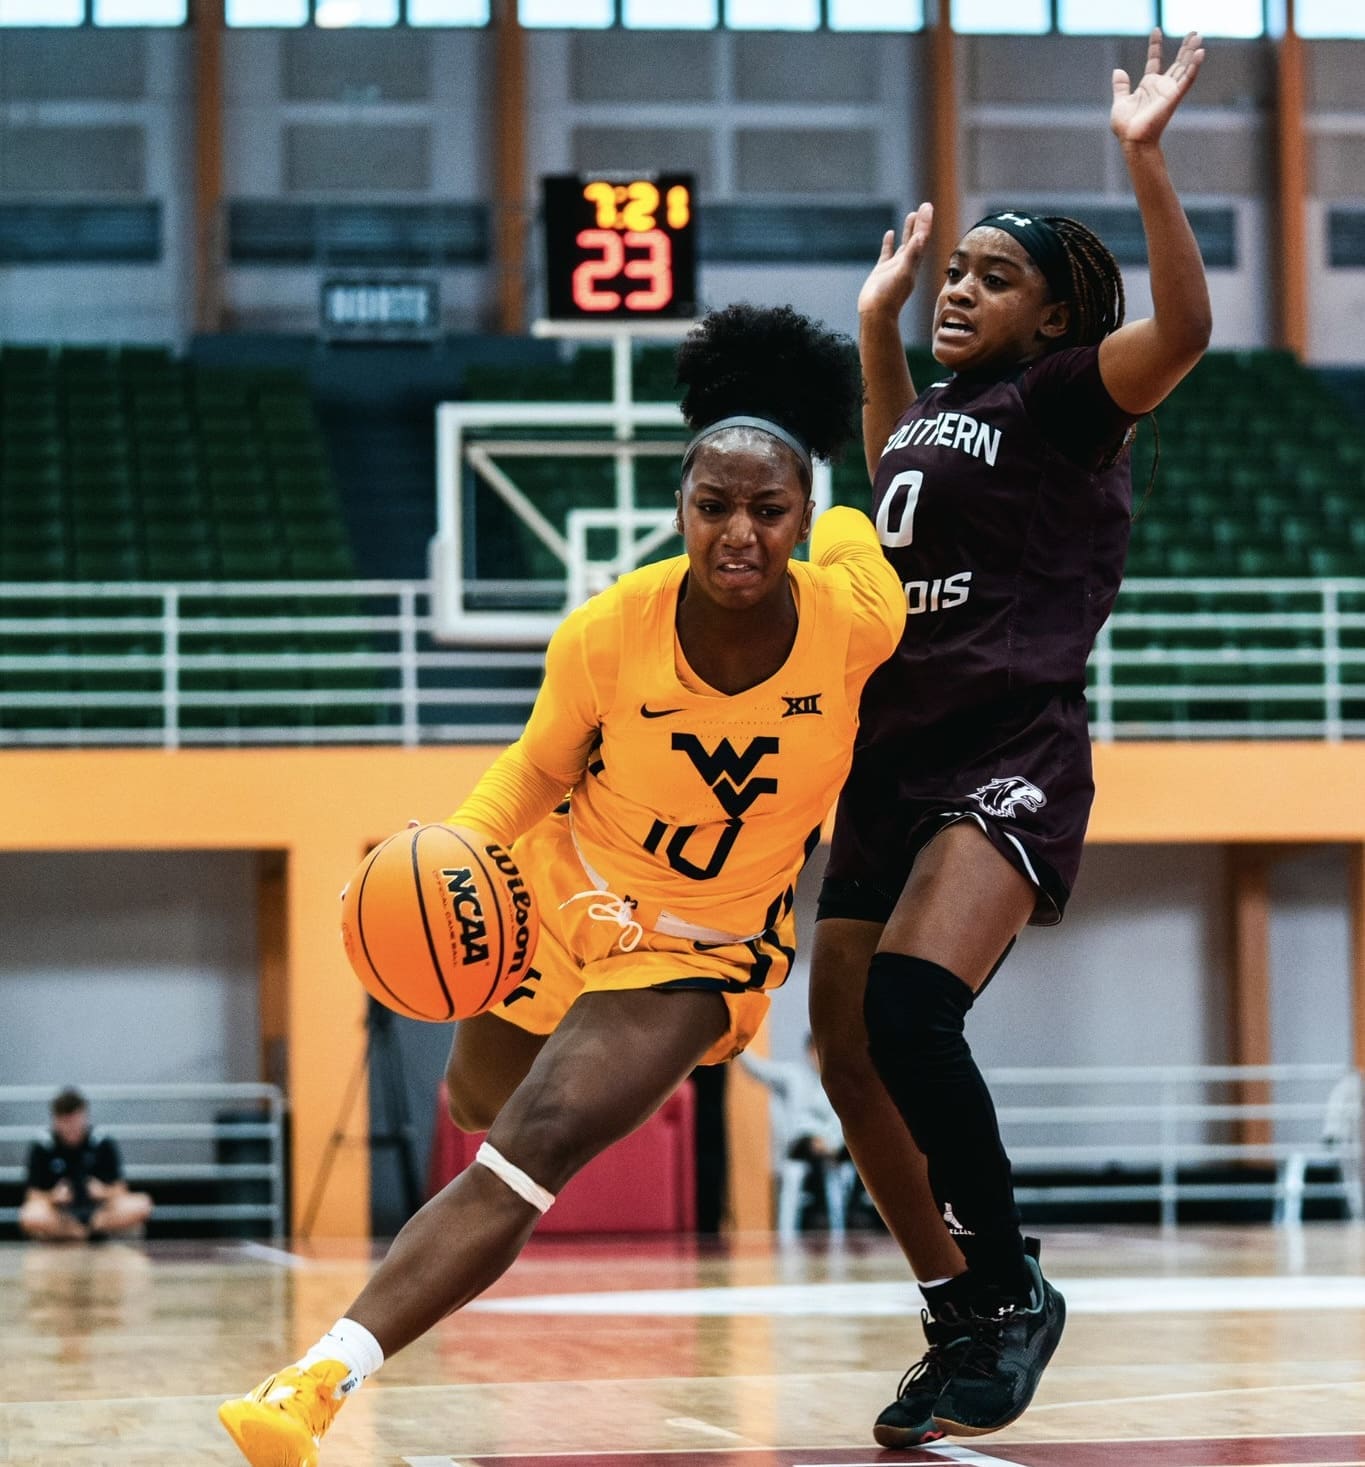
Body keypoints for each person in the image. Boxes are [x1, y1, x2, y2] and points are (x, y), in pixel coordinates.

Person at [218, 303, 906, 1467]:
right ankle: (555, 1077)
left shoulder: (855, 613)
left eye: (767, 508)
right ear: (680, 508)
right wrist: (458, 847)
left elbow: (882, 480)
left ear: (799, 516)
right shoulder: (606, 632)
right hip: (557, 900)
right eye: (713, 505)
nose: (739, 531)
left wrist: (877, 337)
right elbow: (533, 770)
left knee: (524, 1146)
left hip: (698, 948)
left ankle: (315, 1382)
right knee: (477, 1100)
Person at [808, 29, 1212, 1446]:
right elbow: (888, 467)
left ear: (1055, 320)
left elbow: (1186, 333)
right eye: (955, 272)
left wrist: (1145, 161)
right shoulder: (939, 412)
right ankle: (959, 1308)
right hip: (886, 753)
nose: (959, 290)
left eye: (992, 276)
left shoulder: (1064, 404)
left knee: (913, 1009)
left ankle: (1010, 1278)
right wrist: (874, 326)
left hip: (1005, 741)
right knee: (845, 1048)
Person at [740, 1036, 850, 1229]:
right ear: (809, 1052)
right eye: (815, 1051)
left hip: (830, 1151)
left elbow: (840, 1122)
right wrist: (737, 1042)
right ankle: (801, 1226)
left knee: (849, 1164)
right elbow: (758, 1069)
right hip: (800, 1148)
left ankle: (842, 1228)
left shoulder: (838, 1082)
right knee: (801, 1163)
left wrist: (831, 1145)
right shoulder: (793, 1075)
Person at [19, 1087, 153, 1242]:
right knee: (30, 1215)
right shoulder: (43, 1146)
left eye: (75, 1120)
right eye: (65, 1121)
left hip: (99, 1213)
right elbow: (32, 1196)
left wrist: (103, 1192)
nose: (71, 1127)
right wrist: (53, 1196)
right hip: (61, 1215)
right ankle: (75, 1232)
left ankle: (86, 1231)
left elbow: (121, 1190)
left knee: (141, 1204)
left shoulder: (102, 1142)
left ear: (84, 1116)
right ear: (55, 1120)